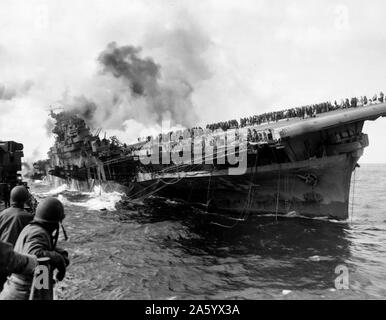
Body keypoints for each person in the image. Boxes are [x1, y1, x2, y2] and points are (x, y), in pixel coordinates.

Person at [0, 197, 69, 300]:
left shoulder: (31, 228)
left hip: (17, 290)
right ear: (55, 222)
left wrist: (57, 252)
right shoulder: (39, 233)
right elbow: (35, 255)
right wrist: (57, 258)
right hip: (25, 294)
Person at [0, 186, 33, 290]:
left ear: (10, 199)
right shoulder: (28, 217)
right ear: (26, 200)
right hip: (15, 261)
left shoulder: (2, 214)